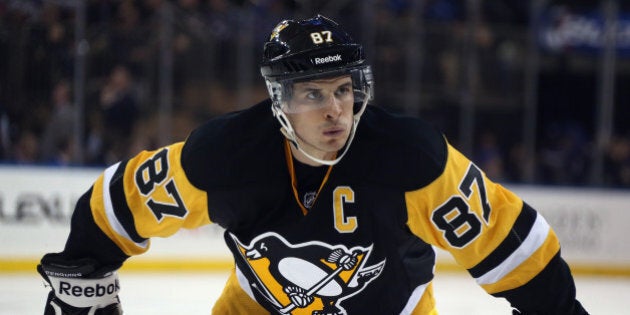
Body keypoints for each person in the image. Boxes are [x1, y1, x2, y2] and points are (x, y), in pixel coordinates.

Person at [37, 15, 588, 315]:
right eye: (313, 94)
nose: (335, 110)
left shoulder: (411, 158)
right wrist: (84, 279)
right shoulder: (226, 155)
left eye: (344, 90)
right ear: (279, 99)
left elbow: (509, 242)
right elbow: (118, 203)